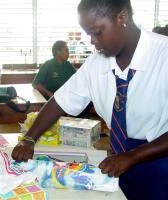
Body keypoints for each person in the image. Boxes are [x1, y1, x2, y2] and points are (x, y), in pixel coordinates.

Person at [12, 0, 168, 199]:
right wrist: (29, 138)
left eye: (96, 32)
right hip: (120, 156)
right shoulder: (97, 63)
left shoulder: (164, 55)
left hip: (159, 157)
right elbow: (60, 101)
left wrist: (133, 156)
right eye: (88, 34)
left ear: (122, 18)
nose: (92, 41)